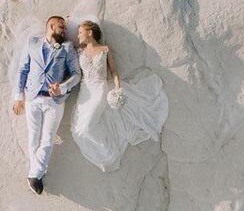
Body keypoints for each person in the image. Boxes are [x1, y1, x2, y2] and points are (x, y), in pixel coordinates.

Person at [70, 20, 169, 171]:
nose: (78, 36)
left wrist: (117, 88)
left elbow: (114, 71)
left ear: (90, 32)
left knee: (86, 127)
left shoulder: (104, 49)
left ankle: (108, 150)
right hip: (85, 91)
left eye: (80, 32)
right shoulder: (78, 52)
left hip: (99, 89)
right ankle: (104, 146)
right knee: (78, 129)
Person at [11, 15, 81, 195]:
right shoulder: (32, 43)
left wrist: (63, 87)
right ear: (51, 25)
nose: (64, 30)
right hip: (32, 98)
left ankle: (35, 174)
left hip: (54, 102)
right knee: (33, 138)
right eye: (61, 26)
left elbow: (76, 74)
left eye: (64, 27)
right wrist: (19, 97)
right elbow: (23, 70)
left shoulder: (67, 48)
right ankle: (36, 174)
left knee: (47, 139)